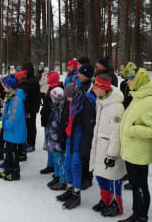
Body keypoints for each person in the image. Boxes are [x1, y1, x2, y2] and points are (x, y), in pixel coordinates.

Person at [119, 68, 152, 222]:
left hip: (140, 153)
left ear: (138, 81)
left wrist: (132, 129)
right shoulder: (137, 97)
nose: (127, 82)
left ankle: (142, 215)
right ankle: (136, 213)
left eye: (130, 79)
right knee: (135, 184)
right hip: (132, 151)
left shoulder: (149, 101)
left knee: (140, 185)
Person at [56, 81, 96, 210]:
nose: (67, 99)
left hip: (79, 140)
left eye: (68, 97)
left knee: (75, 166)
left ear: (75, 94)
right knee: (67, 165)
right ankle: (69, 188)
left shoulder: (86, 104)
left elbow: (88, 129)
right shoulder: (72, 102)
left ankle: (76, 193)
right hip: (70, 137)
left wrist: (85, 148)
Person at [90, 74, 126, 217]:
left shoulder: (116, 107)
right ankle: (105, 200)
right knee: (100, 176)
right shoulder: (101, 101)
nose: (93, 89)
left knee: (113, 178)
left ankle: (116, 204)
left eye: (96, 87)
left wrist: (112, 154)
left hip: (110, 151)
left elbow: (116, 134)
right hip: (99, 147)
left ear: (104, 88)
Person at [0, 76, 27, 181]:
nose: (4, 88)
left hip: (15, 131)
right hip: (10, 131)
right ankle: (8, 169)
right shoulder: (9, 97)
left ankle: (15, 172)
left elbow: (14, 117)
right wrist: (1, 120)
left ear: (9, 87)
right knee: (9, 151)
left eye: (5, 86)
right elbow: (6, 112)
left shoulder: (16, 99)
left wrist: (5, 124)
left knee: (13, 151)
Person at [40, 71, 62, 174]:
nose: (47, 78)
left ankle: (55, 168)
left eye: (49, 77)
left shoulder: (57, 89)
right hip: (48, 119)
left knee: (53, 145)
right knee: (49, 144)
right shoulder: (50, 87)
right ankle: (50, 165)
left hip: (52, 121)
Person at [46, 87, 67, 191]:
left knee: (60, 159)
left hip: (58, 139)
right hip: (53, 137)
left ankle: (63, 180)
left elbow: (60, 124)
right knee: (55, 158)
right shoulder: (55, 106)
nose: (52, 100)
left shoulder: (60, 108)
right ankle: (58, 176)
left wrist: (58, 136)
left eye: (53, 98)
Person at [21, 63, 41, 154]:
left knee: (31, 126)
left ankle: (31, 143)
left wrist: (29, 111)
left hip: (31, 109)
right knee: (29, 126)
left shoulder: (32, 81)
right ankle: (29, 142)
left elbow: (32, 98)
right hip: (30, 108)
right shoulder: (29, 80)